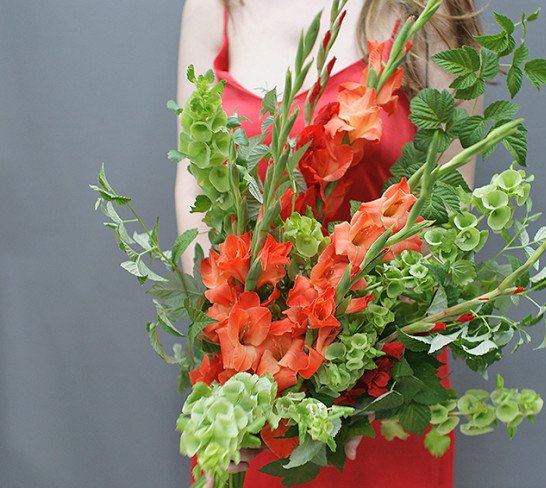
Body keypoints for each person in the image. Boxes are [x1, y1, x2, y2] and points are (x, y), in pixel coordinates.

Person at [175, 1, 482, 486]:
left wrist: (356, 382)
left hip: (383, 385)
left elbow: (448, 207)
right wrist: (226, 348)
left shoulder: (428, 11)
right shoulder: (215, 6)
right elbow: (193, 184)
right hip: (252, 389)